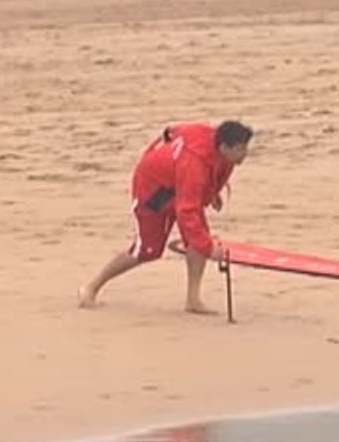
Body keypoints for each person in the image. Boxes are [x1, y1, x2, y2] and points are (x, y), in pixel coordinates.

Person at [78, 120, 253, 313]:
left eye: (245, 148)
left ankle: (192, 300)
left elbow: (171, 132)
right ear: (224, 147)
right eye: (239, 149)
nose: (244, 154)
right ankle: (91, 287)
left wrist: (211, 192)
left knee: (199, 238)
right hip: (154, 190)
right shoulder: (194, 164)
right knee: (147, 250)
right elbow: (186, 211)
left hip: (180, 183)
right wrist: (208, 248)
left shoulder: (214, 142)